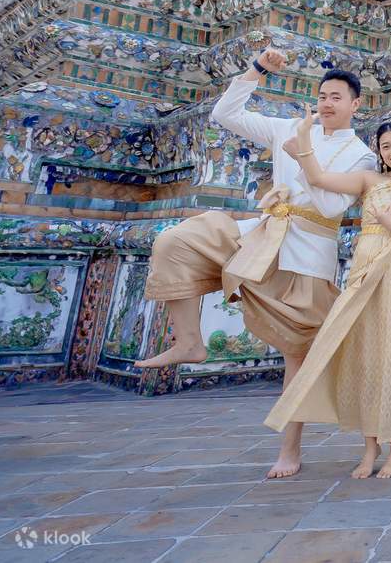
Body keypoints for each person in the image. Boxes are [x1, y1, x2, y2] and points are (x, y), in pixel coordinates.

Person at [137, 47, 376, 478]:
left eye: (337, 97)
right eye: (322, 95)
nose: (326, 103)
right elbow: (225, 115)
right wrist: (258, 68)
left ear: (356, 104)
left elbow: (328, 202)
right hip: (262, 234)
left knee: (297, 357)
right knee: (175, 241)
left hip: (308, 253)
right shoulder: (289, 125)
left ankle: (291, 449)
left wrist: (303, 153)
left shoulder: (361, 155)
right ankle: (189, 341)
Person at [265, 116, 391, 479]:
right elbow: (318, 179)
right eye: (385, 145)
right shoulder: (368, 181)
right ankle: (369, 448)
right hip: (363, 273)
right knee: (365, 358)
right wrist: (302, 143)